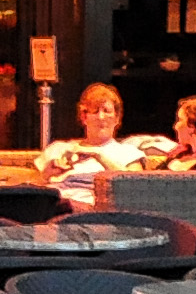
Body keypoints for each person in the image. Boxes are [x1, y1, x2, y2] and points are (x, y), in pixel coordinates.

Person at [33, 83, 163, 210]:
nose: (101, 117)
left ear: (117, 118)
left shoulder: (128, 153)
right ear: (84, 117)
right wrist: (46, 175)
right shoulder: (58, 149)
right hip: (49, 205)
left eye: (107, 111)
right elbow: (31, 188)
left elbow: (135, 189)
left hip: (88, 211)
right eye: (95, 111)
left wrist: (99, 156)